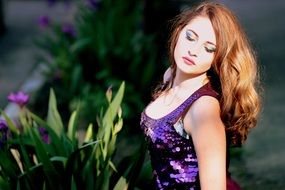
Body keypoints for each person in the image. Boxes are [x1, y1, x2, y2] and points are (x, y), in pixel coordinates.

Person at [140, 1, 261, 190]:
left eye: (209, 48)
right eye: (190, 37)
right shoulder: (171, 75)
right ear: (179, 31)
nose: (193, 51)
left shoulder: (202, 110)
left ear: (217, 57)